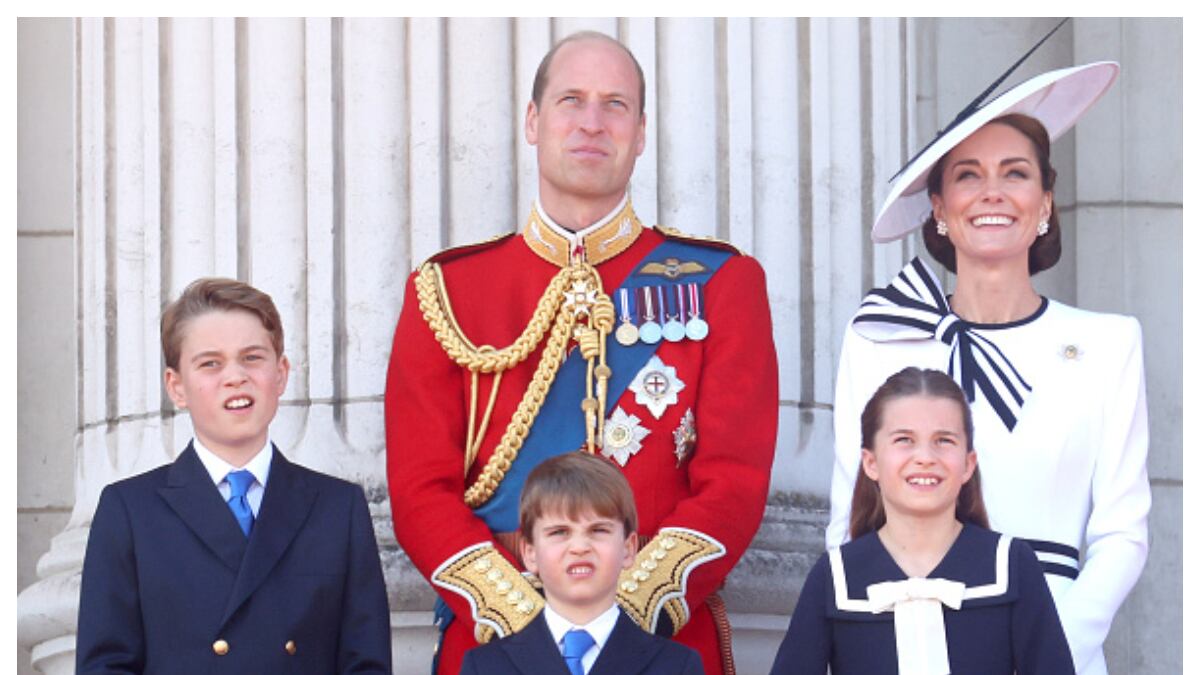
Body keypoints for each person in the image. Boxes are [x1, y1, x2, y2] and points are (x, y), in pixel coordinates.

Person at [385, 31, 778, 675]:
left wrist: (621, 620)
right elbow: (419, 489)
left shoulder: (721, 283)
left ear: (641, 131)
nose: (592, 122)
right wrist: (526, 623)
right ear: (534, 122)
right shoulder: (448, 291)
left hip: (661, 644)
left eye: (615, 104)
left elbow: (733, 482)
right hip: (496, 647)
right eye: (571, 101)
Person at [827, 61, 1149, 675]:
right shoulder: (880, 338)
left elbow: (1123, 534)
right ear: (940, 208)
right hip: (907, 632)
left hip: (1057, 637)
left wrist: (1051, 647)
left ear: (1045, 201)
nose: (992, 192)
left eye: (1015, 173)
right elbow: (849, 521)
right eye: (968, 175)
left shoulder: (1109, 344)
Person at [76, 278, 392, 674]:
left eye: (252, 358)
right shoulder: (130, 510)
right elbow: (106, 664)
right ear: (177, 387)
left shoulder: (337, 508)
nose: (235, 376)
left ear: (280, 373)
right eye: (210, 363)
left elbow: (366, 664)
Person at [774, 367, 1073, 674]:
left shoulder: (1011, 565)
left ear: (968, 464)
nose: (925, 457)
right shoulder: (835, 576)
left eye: (944, 440)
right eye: (904, 439)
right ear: (871, 463)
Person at [461, 451, 704, 674]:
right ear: (530, 552)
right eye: (559, 532)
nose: (579, 547)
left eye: (598, 530)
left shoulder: (678, 666)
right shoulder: (484, 667)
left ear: (629, 549)